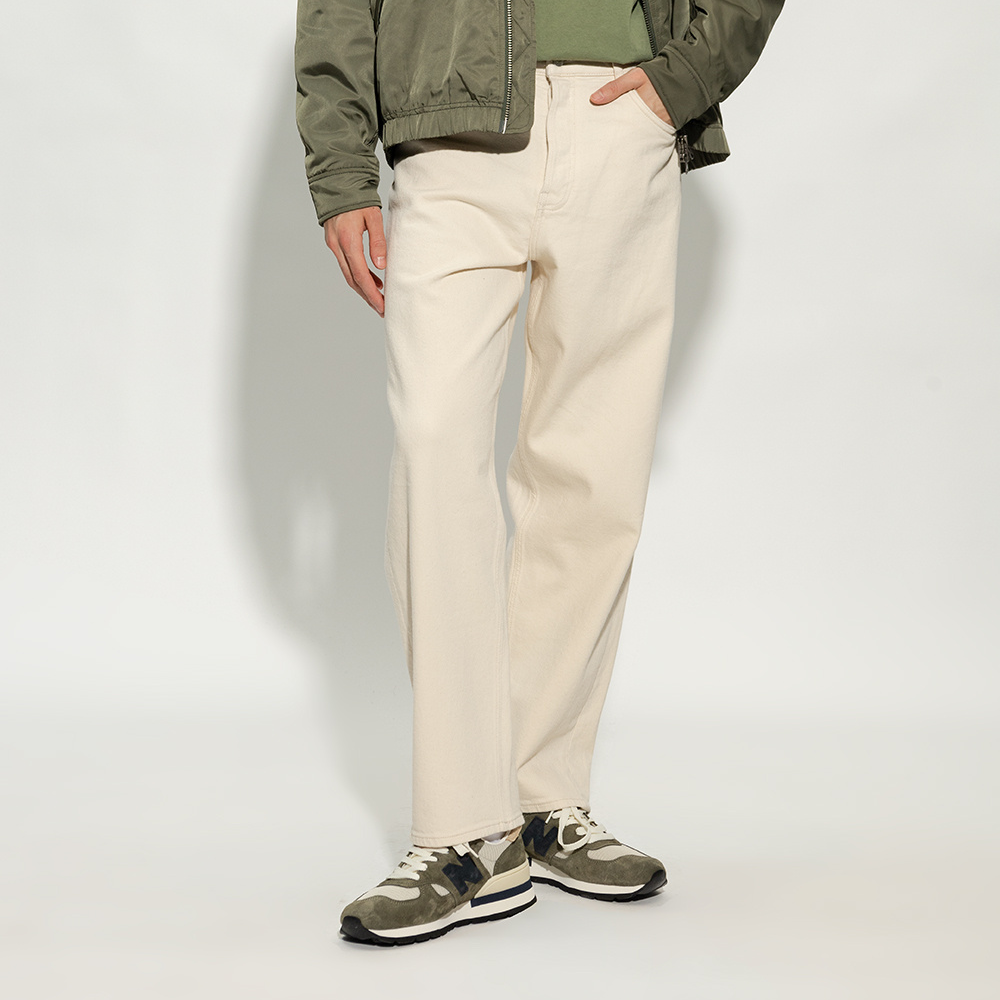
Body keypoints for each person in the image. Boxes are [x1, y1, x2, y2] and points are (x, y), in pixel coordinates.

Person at [294, 0, 783, 946]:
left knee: (590, 471)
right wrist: (341, 170)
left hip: (620, 121)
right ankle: (463, 827)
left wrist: (680, 81)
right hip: (448, 131)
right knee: (436, 448)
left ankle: (541, 797)